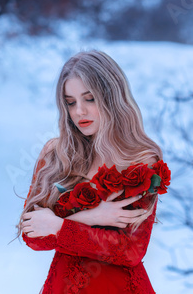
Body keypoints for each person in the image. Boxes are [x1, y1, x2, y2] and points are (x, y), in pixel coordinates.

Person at [16, 49, 163, 293]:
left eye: (90, 99)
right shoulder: (56, 154)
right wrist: (91, 217)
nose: (79, 112)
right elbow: (32, 235)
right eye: (70, 102)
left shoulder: (142, 162)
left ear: (111, 96)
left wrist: (59, 226)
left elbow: (130, 251)